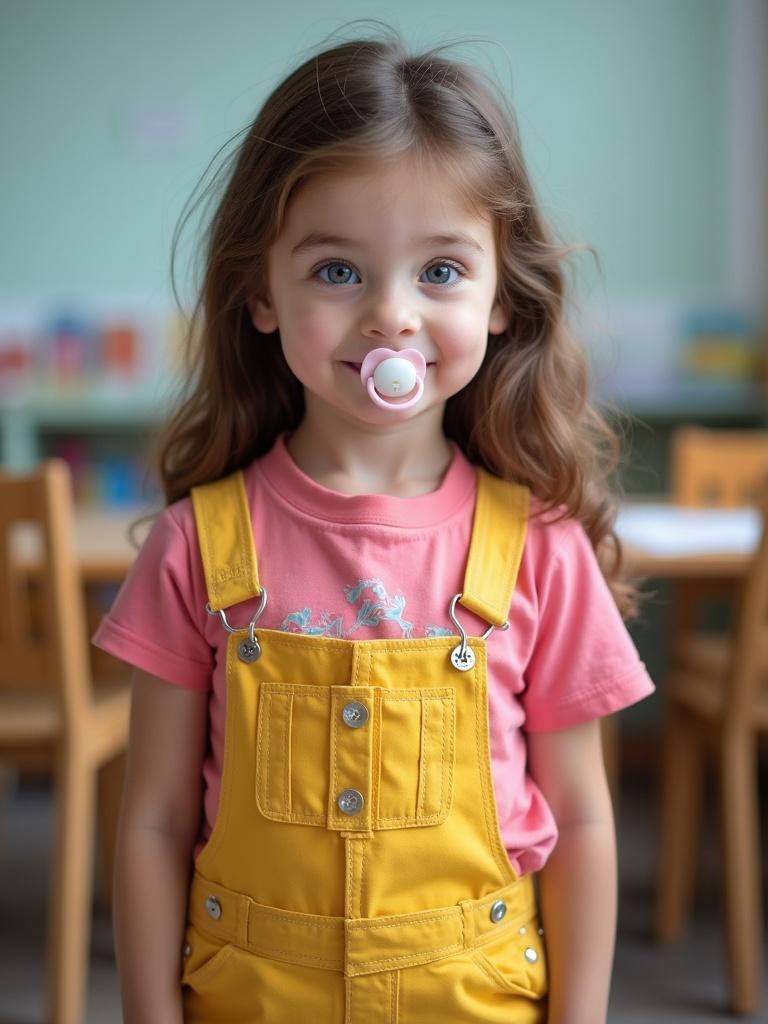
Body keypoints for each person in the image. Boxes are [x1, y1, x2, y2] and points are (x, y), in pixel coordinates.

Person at [94, 28, 654, 1024]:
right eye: (339, 272)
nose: (392, 316)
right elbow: (152, 822)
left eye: (440, 271)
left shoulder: (541, 549)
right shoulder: (193, 549)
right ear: (261, 291)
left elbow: (581, 818)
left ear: (497, 299)